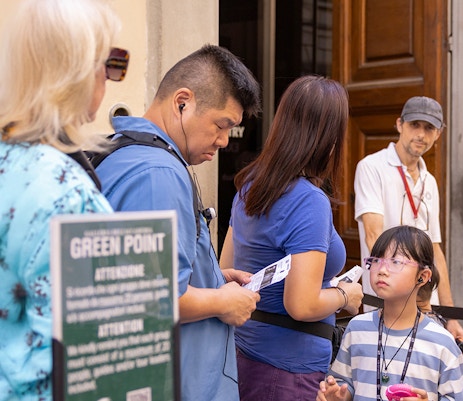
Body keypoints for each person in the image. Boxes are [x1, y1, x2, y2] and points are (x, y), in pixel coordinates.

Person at [95, 44, 262, 401]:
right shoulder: (159, 174)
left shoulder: (122, 152)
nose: (223, 141)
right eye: (222, 125)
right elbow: (150, 300)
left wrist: (214, 280)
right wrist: (222, 303)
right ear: (182, 102)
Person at [0, 0, 124, 398]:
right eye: (109, 63)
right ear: (76, 71)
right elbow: (92, 354)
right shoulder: (69, 194)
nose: (110, 78)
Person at [219, 75, 364, 401]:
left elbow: (226, 269)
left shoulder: (250, 186)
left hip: (245, 355)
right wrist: (345, 295)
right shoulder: (309, 200)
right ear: (329, 137)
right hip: (287, 370)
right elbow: (301, 303)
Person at [354, 96, 463, 347]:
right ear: (399, 125)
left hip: (426, 305)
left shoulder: (430, 181)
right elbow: (374, 237)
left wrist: (449, 315)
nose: (421, 134)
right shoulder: (372, 167)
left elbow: (435, 249)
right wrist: (409, 298)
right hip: (387, 301)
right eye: (414, 125)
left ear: (438, 134)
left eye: (429, 128)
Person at [317, 226, 463, 401]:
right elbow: (344, 381)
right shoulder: (357, 328)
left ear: (423, 276)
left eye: (396, 262)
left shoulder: (442, 342)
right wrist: (338, 394)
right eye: (376, 260)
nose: (382, 270)